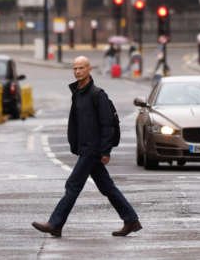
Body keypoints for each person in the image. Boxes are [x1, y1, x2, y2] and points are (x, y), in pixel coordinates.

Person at [32, 56, 141, 238]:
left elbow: (108, 125)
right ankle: (131, 220)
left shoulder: (97, 94)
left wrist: (106, 151)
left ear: (89, 69)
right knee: (107, 187)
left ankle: (55, 223)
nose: (77, 72)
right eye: (75, 68)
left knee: (73, 185)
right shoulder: (78, 94)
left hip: (93, 150)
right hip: (85, 148)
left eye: (81, 68)